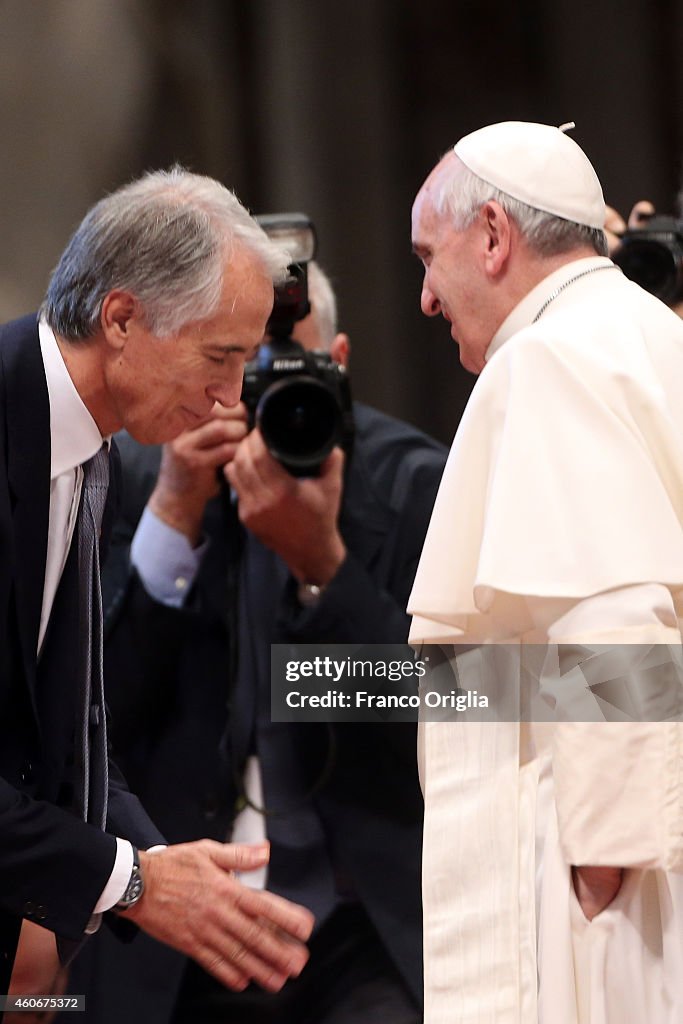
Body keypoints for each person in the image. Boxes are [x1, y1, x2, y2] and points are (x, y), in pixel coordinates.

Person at [64, 259, 447, 1023]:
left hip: (364, 920)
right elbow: (90, 731)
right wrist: (172, 520)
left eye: (279, 369)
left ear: (335, 365)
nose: (246, 400)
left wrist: (322, 568)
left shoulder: (411, 484)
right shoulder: (129, 473)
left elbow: (448, 716)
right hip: (175, 920)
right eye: (228, 364)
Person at [0, 167, 316, 1020]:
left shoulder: (93, 436)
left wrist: (165, 870)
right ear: (123, 318)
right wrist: (136, 881)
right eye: (219, 358)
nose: (232, 398)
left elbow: (68, 732)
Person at [408, 121, 683, 1023]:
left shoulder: (551, 356)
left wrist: (599, 868)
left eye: (428, 256)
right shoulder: (643, 329)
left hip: (603, 877)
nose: (423, 296)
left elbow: (617, 611)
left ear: (492, 236)